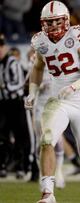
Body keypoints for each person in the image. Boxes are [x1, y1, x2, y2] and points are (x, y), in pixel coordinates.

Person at [24, 1, 80, 203]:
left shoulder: (78, 35)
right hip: (58, 99)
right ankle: (48, 193)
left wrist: (75, 86)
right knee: (46, 139)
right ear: (43, 23)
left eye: (58, 21)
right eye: (49, 22)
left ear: (66, 20)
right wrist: (33, 91)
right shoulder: (40, 41)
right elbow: (38, 68)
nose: (54, 26)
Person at [0, 32, 31, 179]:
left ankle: (21, 166)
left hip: (16, 103)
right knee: (3, 135)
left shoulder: (13, 62)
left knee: (20, 135)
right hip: (3, 103)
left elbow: (19, 84)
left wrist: (4, 86)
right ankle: (4, 165)